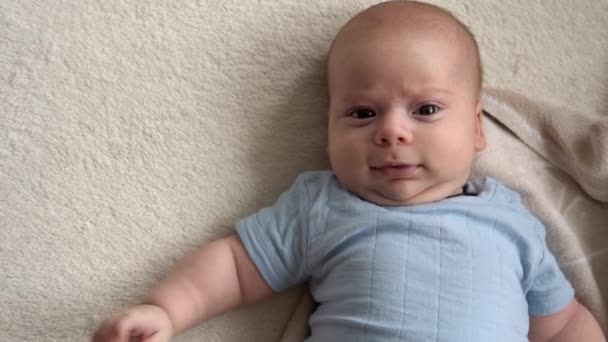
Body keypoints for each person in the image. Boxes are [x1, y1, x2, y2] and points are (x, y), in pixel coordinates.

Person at [92, 1, 606, 341]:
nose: (393, 132)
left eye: (425, 110)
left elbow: (560, 324)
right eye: (363, 113)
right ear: (328, 131)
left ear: (476, 129)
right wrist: (165, 310)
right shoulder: (325, 206)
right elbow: (234, 267)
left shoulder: (511, 221)